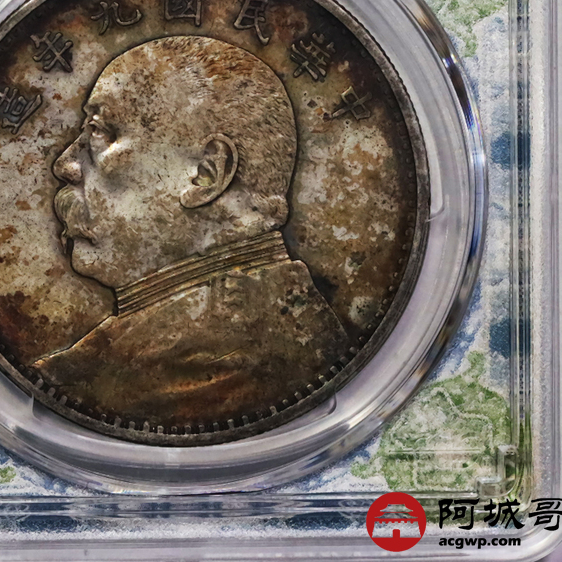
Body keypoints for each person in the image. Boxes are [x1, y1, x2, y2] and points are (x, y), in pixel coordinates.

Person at [32, 35, 351, 431]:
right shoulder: (294, 334)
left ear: (206, 175)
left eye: (100, 131)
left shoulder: (197, 373)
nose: (65, 165)